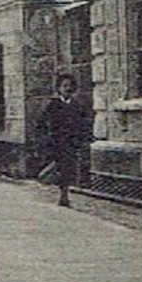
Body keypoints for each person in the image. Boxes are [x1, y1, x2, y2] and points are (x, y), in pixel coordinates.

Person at [42, 74, 93, 207]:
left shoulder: (77, 106)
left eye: (71, 86)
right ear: (59, 88)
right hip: (57, 142)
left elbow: (84, 123)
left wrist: (82, 138)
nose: (68, 89)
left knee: (69, 168)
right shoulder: (53, 105)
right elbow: (44, 123)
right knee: (60, 167)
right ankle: (62, 193)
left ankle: (64, 194)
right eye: (65, 86)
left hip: (72, 142)